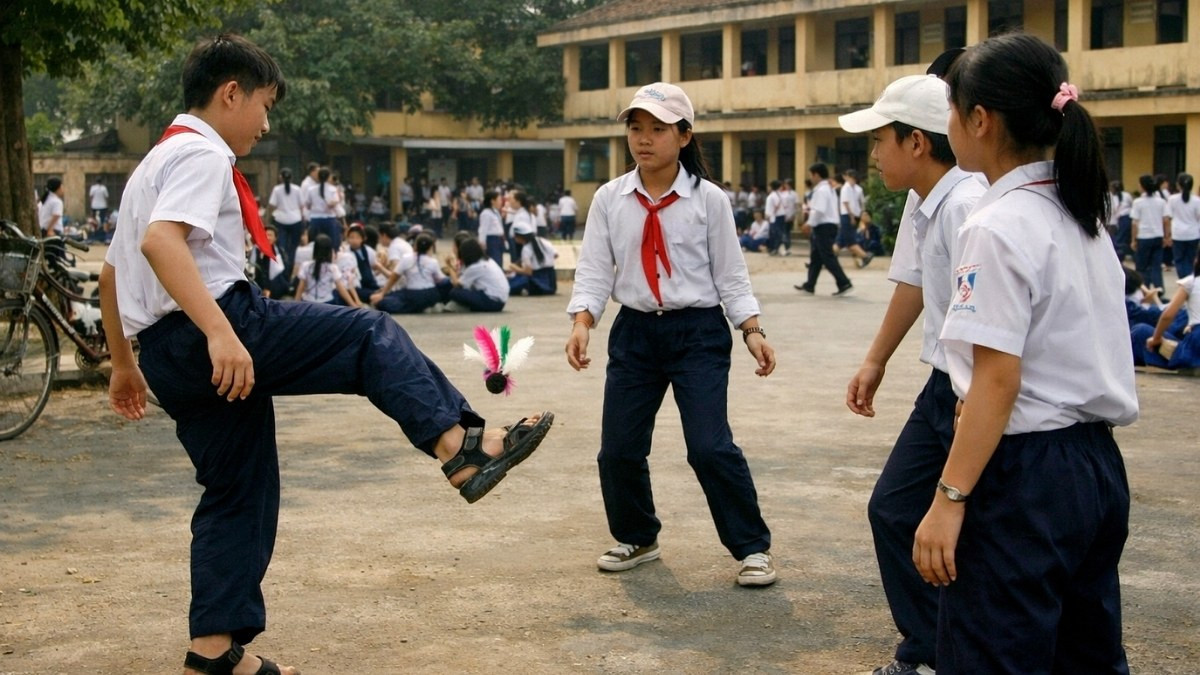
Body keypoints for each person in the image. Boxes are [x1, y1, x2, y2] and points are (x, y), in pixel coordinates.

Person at [97, 34, 554, 675]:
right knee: (367, 333)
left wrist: (124, 364)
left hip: (164, 350)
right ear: (231, 93)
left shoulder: (152, 164)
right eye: (264, 104)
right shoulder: (202, 153)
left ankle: (215, 654)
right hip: (216, 329)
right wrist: (222, 334)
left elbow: (112, 277)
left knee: (236, 490)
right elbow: (160, 243)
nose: (265, 122)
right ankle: (462, 446)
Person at [914, 35, 1138, 673]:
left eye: (952, 110)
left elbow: (996, 381)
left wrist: (947, 501)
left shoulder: (996, 223)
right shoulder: (1080, 212)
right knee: (1086, 654)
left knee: (996, 654)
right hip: (1093, 467)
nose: (948, 124)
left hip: (1028, 476)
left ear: (979, 121)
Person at [565, 82, 779, 587]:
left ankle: (752, 548)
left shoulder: (709, 202)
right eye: (636, 128)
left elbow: (731, 274)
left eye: (657, 129)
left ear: (684, 136)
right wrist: (582, 322)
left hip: (697, 335)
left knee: (709, 446)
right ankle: (638, 537)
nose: (643, 139)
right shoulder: (609, 199)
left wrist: (751, 329)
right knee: (618, 448)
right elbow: (595, 269)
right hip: (635, 333)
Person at [839, 72, 986, 675]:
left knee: (966, 532)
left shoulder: (969, 208)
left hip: (971, 393)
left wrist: (973, 397)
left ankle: (948, 653)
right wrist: (876, 359)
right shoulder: (927, 201)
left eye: (881, 140)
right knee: (894, 509)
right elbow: (916, 284)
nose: (873, 154)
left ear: (917, 143)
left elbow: (990, 326)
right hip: (942, 386)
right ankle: (928, 650)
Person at [795, 163, 854, 296]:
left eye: (811, 175)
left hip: (823, 226)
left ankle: (844, 282)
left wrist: (809, 224)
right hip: (827, 225)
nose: (811, 178)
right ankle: (810, 284)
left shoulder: (821, 190)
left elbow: (818, 210)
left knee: (827, 256)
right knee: (816, 256)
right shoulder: (828, 188)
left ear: (816, 174)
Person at [1132, 254, 1200, 369]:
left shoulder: (1191, 282)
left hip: (1196, 339)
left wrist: (1156, 338)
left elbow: (1167, 315)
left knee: (1141, 331)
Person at [373, 233, 447, 313]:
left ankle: (414, 308)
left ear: (415, 246)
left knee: (384, 301)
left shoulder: (406, 259)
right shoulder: (433, 262)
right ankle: (431, 305)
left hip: (412, 293)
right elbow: (441, 279)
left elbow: (394, 277)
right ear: (430, 248)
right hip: (430, 294)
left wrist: (383, 293)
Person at [445, 238, 509, 312]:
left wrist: (449, 266)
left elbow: (457, 284)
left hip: (492, 302)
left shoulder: (475, 267)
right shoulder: (487, 260)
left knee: (455, 292)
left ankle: (465, 307)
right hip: (500, 301)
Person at [294, 234, 358, 306]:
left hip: (308, 302)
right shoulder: (332, 268)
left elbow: (300, 287)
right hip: (327, 303)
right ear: (329, 251)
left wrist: (296, 305)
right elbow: (341, 289)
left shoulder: (306, 266)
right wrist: (353, 304)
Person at [1131, 173, 1168, 292]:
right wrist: (1166, 236)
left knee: (1141, 266)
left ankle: (1144, 288)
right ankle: (1159, 288)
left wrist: (1133, 239)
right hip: (1158, 235)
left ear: (1142, 186)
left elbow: (1135, 223)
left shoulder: (1138, 202)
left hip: (1144, 237)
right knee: (1156, 265)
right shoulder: (1161, 202)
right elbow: (1165, 220)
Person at [507, 220, 557, 296]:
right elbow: (555, 255)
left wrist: (514, 267)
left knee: (515, 281)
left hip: (538, 282)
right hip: (551, 281)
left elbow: (528, 272)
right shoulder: (543, 241)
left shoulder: (526, 249)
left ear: (520, 237)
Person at [836, 169, 873, 268]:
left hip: (848, 215)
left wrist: (853, 216)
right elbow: (861, 204)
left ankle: (865, 256)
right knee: (840, 240)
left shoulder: (848, 188)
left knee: (849, 240)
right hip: (852, 215)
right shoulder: (852, 188)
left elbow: (846, 203)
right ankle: (825, 259)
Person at [268, 168, 304, 267]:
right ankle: (291, 265)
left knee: (281, 245)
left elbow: (272, 205)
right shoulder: (297, 189)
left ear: (281, 177)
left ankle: (282, 264)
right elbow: (302, 205)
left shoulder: (277, 189)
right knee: (293, 246)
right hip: (296, 219)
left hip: (281, 220)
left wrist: (270, 216)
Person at [1165, 173, 1199, 278]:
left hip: (1178, 234)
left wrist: (1167, 235)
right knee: (1190, 259)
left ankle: (1183, 279)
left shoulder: (1172, 199)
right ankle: (1189, 279)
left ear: (1178, 185)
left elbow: (1167, 218)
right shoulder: (1197, 201)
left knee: (1178, 260)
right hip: (1193, 234)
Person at [304, 167, 342, 249]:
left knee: (314, 243)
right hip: (329, 219)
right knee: (332, 242)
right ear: (329, 177)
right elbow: (335, 202)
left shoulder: (311, 189)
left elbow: (307, 204)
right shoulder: (333, 189)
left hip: (315, 219)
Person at [251, 224, 290, 299]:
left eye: (270, 235)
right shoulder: (257, 250)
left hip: (276, 288)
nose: (268, 237)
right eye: (265, 235)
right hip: (259, 286)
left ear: (275, 238)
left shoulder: (279, 251)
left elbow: (284, 271)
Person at [478, 190, 507, 267]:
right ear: (492, 201)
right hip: (491, 239)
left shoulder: (495, 212)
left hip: (498, 239)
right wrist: (482, 242)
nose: (501, 202)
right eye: (499, 200)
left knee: (499, 260)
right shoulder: (486, 213)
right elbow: (483, 229)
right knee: (494, 260)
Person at [1110, 180, 1133, 260]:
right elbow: (1131, 205)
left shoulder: (1112, 197)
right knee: (1122, 239)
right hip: (1125, 219)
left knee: (1119, 239)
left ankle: (1120, 256)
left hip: (1119, 219)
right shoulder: (1127, 195)